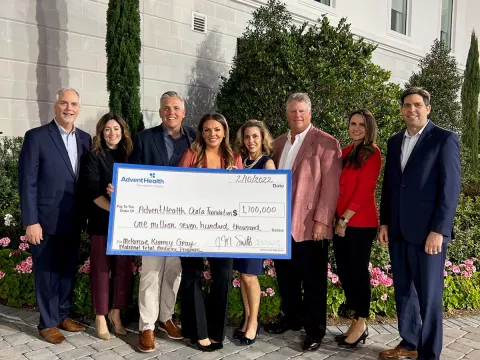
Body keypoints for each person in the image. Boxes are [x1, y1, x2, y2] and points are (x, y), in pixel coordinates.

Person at [378, 87, 461, 360]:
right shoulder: (393, 142)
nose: (411, 110)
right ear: (401, 110)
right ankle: (409, 342)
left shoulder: (444, 139)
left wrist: (439, 229)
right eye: (406, 105)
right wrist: (385, 222)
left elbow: (450, 190)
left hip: (428, 234)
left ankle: (429, 353)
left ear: (428, 108)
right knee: (403, 290)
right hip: (399, 231)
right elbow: (390, 186)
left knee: (429, 297)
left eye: (417, 105)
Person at [264, 93, 342, 351]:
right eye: (292, 112)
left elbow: (331, 188)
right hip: (281, 225)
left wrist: (322, 220)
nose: (297, 115)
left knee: (313, 281)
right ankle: (292, 318)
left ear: (310, 113)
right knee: (286, 277)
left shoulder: (326, 143)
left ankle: (315, 330)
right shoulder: (276, 143)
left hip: (311, 225)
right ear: (286, 114)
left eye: (301, 111)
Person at [18, 88, 92, 344]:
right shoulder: (37, 137)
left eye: (73, 104)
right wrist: (31, 220)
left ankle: (62, 315)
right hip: (45, 219)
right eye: (64, 103)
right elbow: (27, 181)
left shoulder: (85, 139)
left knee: (66, 270)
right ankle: (47, 323)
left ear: (79, 108)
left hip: (73, 219)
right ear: (55, 106)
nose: (69, 108)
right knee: (47, 271)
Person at [129, 91, 196, 352]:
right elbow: (133, 173)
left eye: (176, 108)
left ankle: (165, 317)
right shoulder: (146, 138)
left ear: (184, 112)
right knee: (151, 271)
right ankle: (146, 326)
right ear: (160, 112)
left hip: (182, 217)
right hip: (153, 216)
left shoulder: (194, 137)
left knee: (173, 270)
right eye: (166, 108)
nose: (171, 112)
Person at [178, 113, 243, 352]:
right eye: (207, 130)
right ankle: (199, 333)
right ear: (201, 133)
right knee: (192, 275)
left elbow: (242, 193)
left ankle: (216, 332)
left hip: (223, 228)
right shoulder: (191, 155)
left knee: (224, 277)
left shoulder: (234, 157)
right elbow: (178, 187)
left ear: (224, 132)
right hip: (193, 225)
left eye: (216, 129)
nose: (212, 134)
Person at [332, 109, 382, 348]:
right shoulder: (346, 151)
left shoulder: (372, 153)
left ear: (369, 127)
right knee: (345, 272)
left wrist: (344, 219)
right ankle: (356, 320)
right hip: (340, 221)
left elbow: (364, 190)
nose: (356, 128)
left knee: (358, 273)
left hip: (360, 223)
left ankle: (361, 322)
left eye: (362, 124)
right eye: (353, 123)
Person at [81, 113, 133, 340]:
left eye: (116, 129)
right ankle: (100, 315)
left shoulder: (130, 156)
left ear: (123, 133)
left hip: (126, 225)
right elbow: (92, 193)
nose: (112, 133)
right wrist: (116, 210)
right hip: (102, 222)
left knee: (122, 269)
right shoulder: (93, 156)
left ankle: (116, 313)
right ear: (101, 132)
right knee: (102, 270)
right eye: (108, 129)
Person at [233, 120, 276, 345]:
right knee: (242, 275)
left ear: (262, 138)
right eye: (247, 137)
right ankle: (247, 319)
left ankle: (253, 323)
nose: (251, 141)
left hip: (256, 228)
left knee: (250, 276)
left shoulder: (267, 163)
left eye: (255, 137)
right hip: (239, 226)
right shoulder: (241, 162)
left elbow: (270, 197)